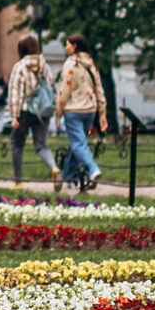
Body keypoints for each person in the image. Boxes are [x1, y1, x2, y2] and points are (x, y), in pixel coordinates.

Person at [54, 34, 107, 192]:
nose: (65, 47)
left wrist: (58, 112)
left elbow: (64, 91)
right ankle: (69, 177)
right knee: (76, 144)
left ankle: (93, 170)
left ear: (75, 46)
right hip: (90, 109)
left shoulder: (70, 64)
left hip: (73, 110)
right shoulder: (91, 64)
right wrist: (102, 113)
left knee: (78, 144)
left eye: (68, 44)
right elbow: (99, 90)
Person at [7, 32, 62, 183]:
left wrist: (14, 115)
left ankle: (18, 181)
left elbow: (15, 93)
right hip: (43, 111)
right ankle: (53, 167)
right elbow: (51, 89)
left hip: (24, 111)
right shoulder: (46, 67)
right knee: (41, 145)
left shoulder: (19, 67)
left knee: (17, 144)